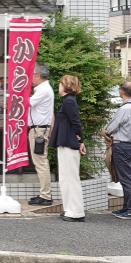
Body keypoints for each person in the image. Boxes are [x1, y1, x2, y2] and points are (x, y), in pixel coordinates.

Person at [48, 75, 86, 222]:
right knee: (66, 178)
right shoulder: (68, 101)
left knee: (70, 178)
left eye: (60, 84)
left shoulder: (69, 101)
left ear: (66, 86)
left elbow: (75, 121)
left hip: (69, 144)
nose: (59, 86)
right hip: (66, 143)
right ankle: (70, 209)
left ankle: (76, 212)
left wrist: (80, 140)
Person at [105, 80, 131, 220]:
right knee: (128, 177)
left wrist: (106, 132)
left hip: (122, 146)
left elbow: (111, 127)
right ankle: (127, 207)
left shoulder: (125, 108)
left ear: (121, 91)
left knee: (126, 179)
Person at [27, 63, 55, 206]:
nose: (30, 78)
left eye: (31, 75)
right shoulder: (44, 89)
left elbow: (27, 103)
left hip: (39, 130)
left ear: (37, 75)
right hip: (40, 129)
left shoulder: (43, 90)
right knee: (40, 162)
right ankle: (44, 194)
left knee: (41, 163)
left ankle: (46, 195)